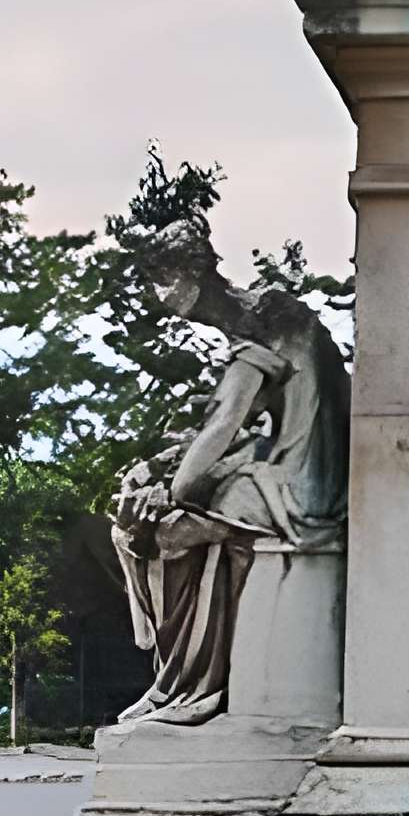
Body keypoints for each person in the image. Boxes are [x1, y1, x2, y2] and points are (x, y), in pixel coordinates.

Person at [111, 220, 349, 726]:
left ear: (196, 272)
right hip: (291, 468)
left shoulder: (265, 324)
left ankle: (187, 684)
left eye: (164, 278)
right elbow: (234, 429)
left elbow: (223, 427)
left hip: (306, 484)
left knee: (171, 530)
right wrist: (160, 468)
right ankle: (179, 679)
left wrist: (173, 489)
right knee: (162, 520)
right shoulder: (255, 326)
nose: (159, 294)